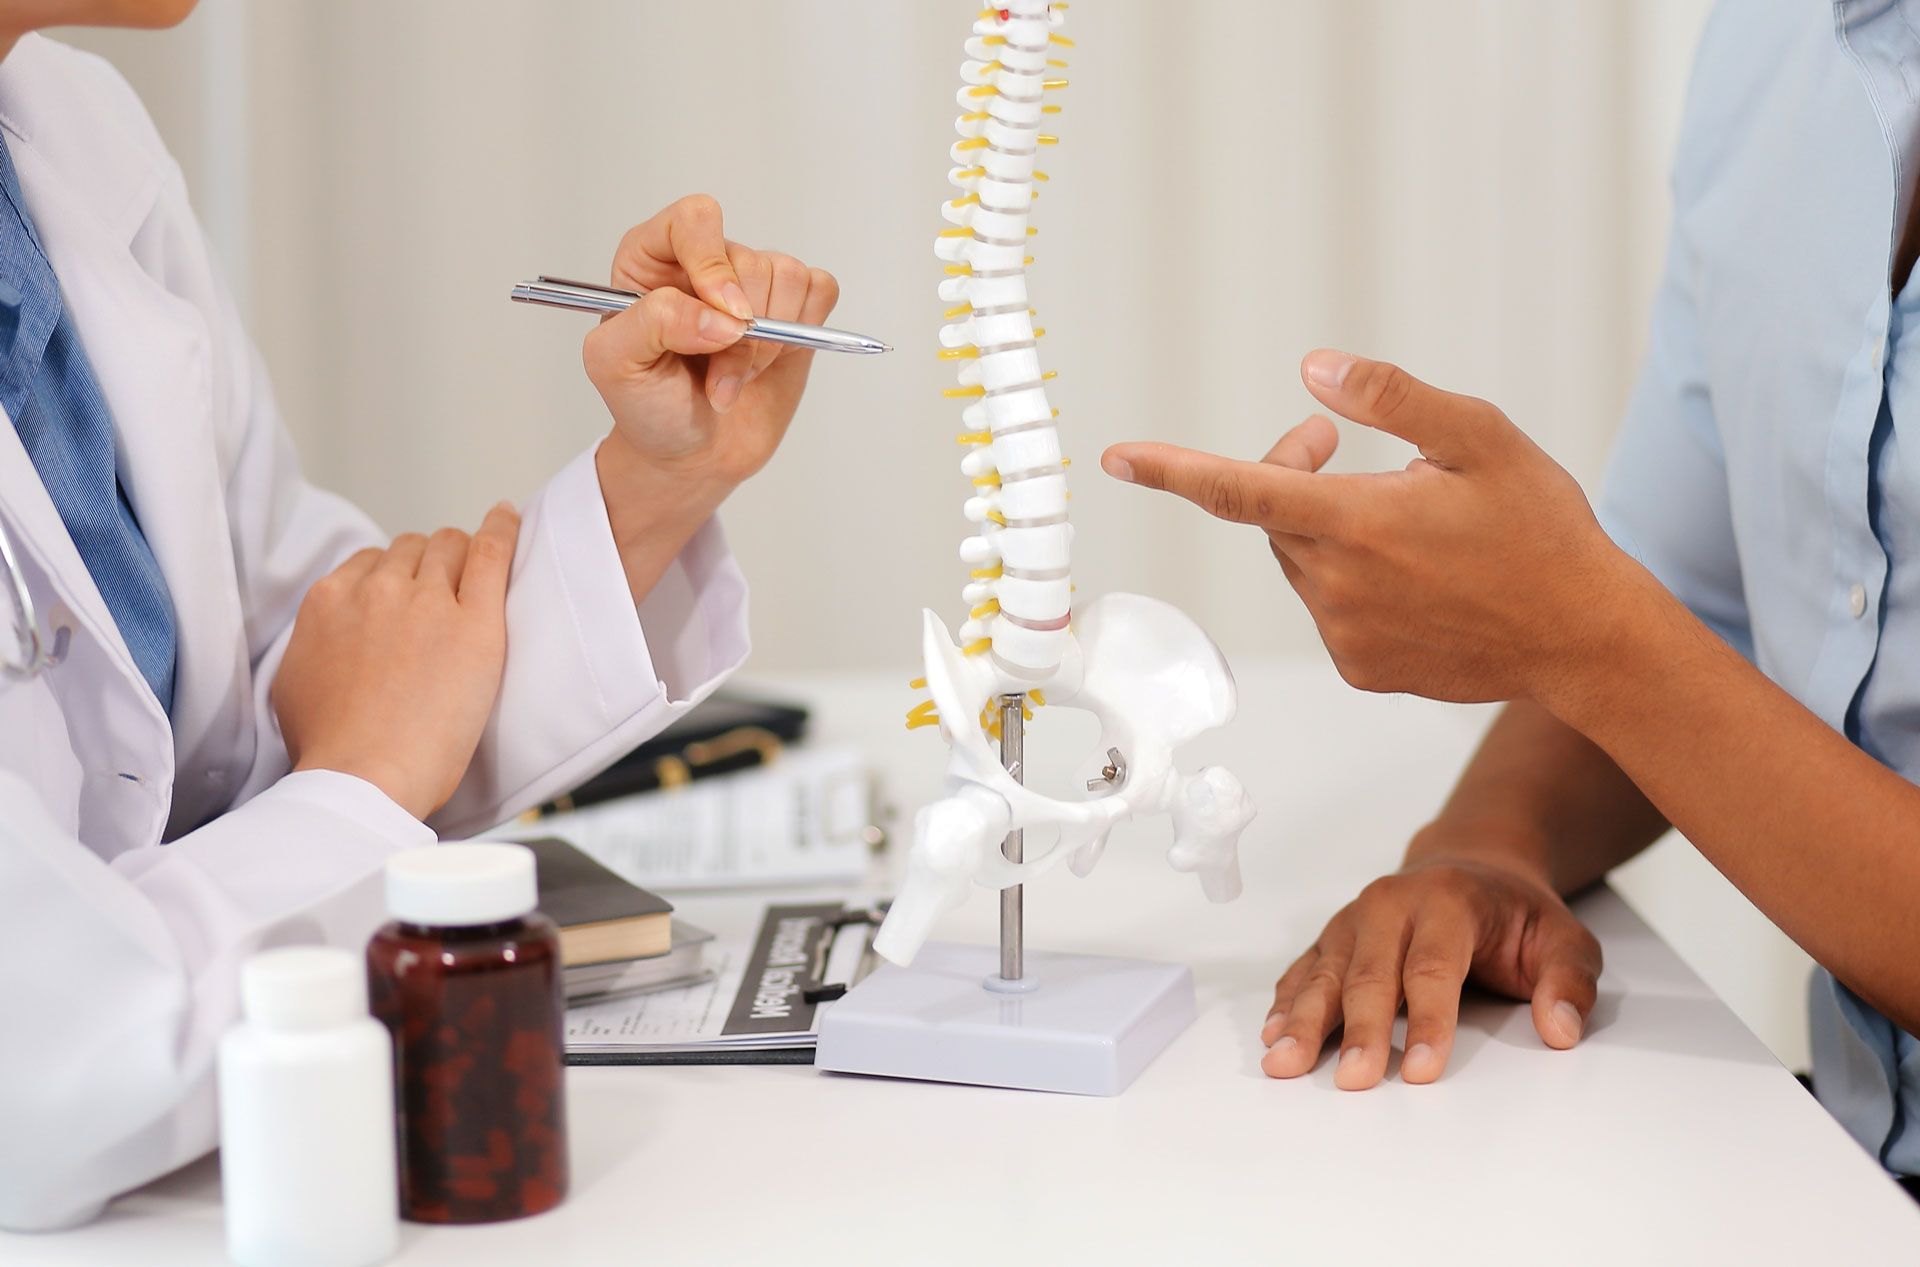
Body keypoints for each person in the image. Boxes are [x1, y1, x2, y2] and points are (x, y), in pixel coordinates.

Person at [0, 2, 839, 1232]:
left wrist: (659, 485)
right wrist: (364, 775)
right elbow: (41, 1074)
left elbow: (327, 676)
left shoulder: (69, 127)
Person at [1104, 0, 1920, 1194]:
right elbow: (1698, 595)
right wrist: (1493, 843)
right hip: (1838, 1171)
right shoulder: (1773, 40)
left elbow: (1630, 640)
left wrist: (1586, 639)